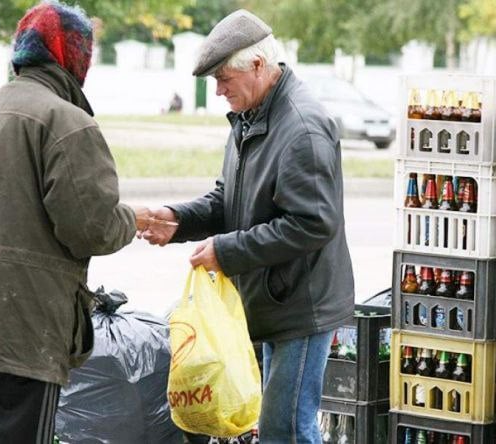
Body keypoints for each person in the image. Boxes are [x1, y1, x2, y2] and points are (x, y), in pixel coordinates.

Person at [0, 2, 159, 442]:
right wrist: (131, 220)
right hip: (27, 323)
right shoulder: (67, 122)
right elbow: (90, 228)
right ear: (74, 57)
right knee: (21, 433)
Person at [141, 9, 355, 443]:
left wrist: (227, 251)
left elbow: (312, 224)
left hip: (301, 304)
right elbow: (230, 200)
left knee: (288, 428)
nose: (218, 91)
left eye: (223, 79)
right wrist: (178, 219)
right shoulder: (250, 116)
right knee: (275, 427)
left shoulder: (302, 127)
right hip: (271, 297)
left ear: (258, 65)